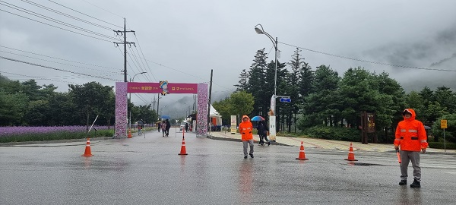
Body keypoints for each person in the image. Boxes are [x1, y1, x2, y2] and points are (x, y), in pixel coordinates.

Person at [394, 108, 428, 188]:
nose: (407, 115)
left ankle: (417, 180)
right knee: (403, 165)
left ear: (412, 114)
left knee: (416, 166)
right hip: (404, 148)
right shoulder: (401, 124)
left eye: (408, 114)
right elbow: (398, 135)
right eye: (405, 114)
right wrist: (396, 144)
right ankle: (403, 179)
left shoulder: (418, 124)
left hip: (414, 148)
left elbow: (422, 136)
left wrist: (424, 146)